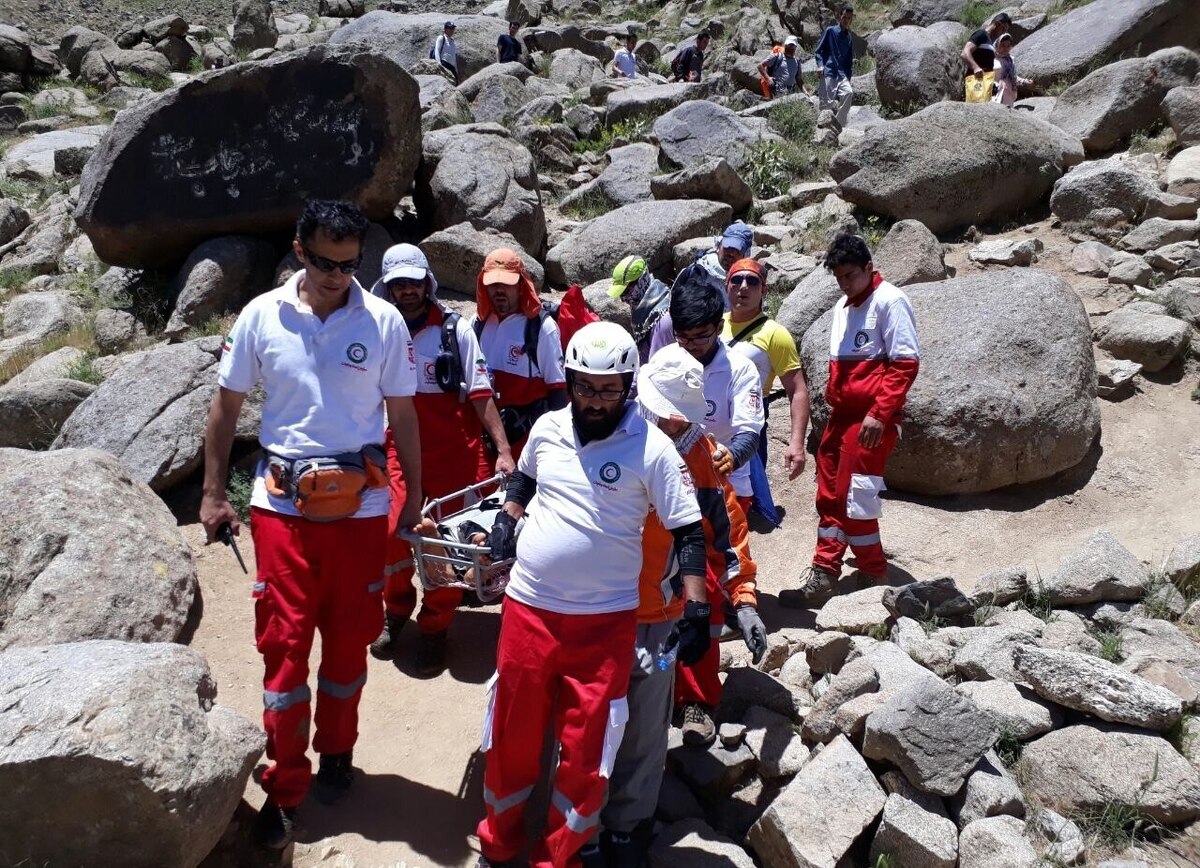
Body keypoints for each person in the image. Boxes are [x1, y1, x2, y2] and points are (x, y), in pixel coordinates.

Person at [199, 200, 422, 848]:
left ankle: (339, 750)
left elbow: (403, 415)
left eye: (349, 265)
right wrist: (214, 493)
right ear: (300, 249)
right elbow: (225, 406)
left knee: (349, 647)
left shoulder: (382, 322)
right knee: (284, 653)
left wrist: (416, 497)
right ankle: (286, 787)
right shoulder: (261, 317)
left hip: (362, 512)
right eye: (325, 262)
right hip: (283, 511)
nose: (336, 276)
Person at [476, 322, 709, 868]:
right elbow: (524, 479)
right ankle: (497, 847)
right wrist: (509, 518)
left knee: (587, 754)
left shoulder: (653, 449)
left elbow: (689, 531)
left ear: (628, 386)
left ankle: (560, 858)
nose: (595, 400)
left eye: (608, 389)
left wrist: (697, 608)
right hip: (528, 611)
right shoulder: (549, 426)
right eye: (585, 386)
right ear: (571, 381)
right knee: (511, 736)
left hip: (604, 624)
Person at [599, 344, 765, 865]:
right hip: (597, 609)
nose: (669, 428)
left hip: (663, 620)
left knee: (647, 738)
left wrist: (743, 599)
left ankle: (628, 828)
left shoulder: (700, 457)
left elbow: (729, 532)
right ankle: (581, 826)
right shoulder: (600, 434)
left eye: (675, 422)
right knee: (592, 723)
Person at [367, 244, 515, 676]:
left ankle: (435, 628)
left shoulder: (456, 330)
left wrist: (503, 450)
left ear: (427, 281)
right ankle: (395, 612)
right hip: (396, 448)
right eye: (398, 284)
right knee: (391, 532)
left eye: (413, 281)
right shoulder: (378, 332)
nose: (407, 290)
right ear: (388, 288)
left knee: (453, 544)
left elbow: (482, 393)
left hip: (457, 451)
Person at [779, 234, 919, 610]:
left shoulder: (890, 301)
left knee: (855, 497)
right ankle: (825, 571)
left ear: (870, 268)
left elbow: (905, 364)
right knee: (828, 497)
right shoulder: (843, 306)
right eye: (839, 277)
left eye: (851, 275)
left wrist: (880, 413)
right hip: (840, 420)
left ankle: (874, 575)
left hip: (870, 421)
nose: (845, 283)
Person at [667, 281, 764, 747]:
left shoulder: (740, 368)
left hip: (724, 486)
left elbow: (750, 429)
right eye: (683, 337)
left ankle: (697, 700)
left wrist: (730, 455)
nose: (691, 346)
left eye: (701, 337)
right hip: (667, 487)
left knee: (704, 588)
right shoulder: (665, 363)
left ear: (718, 327)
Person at [721, 258, 811, 525]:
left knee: (743, 495)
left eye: (752, 281)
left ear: (764, 290)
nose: (743, 287)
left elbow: (797, 390)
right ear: (726, 286)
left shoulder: (775, 334)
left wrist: (797, 443)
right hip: (712, 417)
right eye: (736, 280)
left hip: (749, 420)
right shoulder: (714, 324)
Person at [471, 248, 568, 460]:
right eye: (493, 284)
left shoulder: (542, 327)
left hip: (527, 444)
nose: (499, 290)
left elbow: (558, 392)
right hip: (483, 440)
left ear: (521, 284)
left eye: (506, 283)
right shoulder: (477, 324)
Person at [648, 222, 754, 358]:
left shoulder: (751, 282)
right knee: (667, 323)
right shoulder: (697, 271)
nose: (730, 254)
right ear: (718, 246)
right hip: (692, 334)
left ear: (747, 254)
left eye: (737, 250)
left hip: (730, 336)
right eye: (727, 247)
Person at [608, 254, 670, 364]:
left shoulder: (661, 319)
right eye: (621, 294)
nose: (623, 299)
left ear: (641, 281)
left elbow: (657, 366)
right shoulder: (643, 311)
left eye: (626, 292)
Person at [815, 5, 856, 130]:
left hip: (842, 74)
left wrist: (848, 77)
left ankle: (838, 126)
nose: (846, 20)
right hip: (829, 71)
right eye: (844, 17)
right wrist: (820, 65)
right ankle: (822, 130)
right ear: (839, 16)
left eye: (849, 18)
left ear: (851, 19)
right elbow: (818, 51)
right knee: (826, 105)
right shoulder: (830, 31)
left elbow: (849, 60)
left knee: (849, 93)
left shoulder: (849, 37)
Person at [962, 12, 1011, 80]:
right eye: (1003, 29)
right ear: (997, 24)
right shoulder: (981, 34)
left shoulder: (991, 41)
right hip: (975, 82)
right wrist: (975, 67)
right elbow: (965, 52)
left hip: (985, 83)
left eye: (1005, 31)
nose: (1003, 33)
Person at [758, 34, 806, 99]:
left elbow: (799, 80)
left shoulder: (797, 61)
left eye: (792, 46)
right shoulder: (777, 56)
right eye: (788, 45)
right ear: (785, 45)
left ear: (795, 47)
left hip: (792, 93)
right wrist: (768, 79)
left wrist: (805, 92)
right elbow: (760, 66)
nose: (789, 48)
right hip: (778, 93)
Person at [992, 33, 1030, 106]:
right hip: (995, 94)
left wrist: (1024, 81)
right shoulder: (991, 59)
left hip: (1008, 94)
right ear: (997, 46)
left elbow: (1013, 76)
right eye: (1003, 45)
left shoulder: (1010, 59)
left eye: (1008, 46)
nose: (1006, 48)